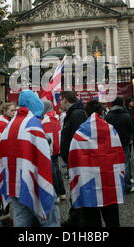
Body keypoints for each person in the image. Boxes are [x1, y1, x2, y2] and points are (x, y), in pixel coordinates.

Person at [0, 90, 60, 227]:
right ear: (35, 104)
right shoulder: (33, 124)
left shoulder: (10, 124)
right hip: (33, 182)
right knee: (49, 219)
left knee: (21, 219)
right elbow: (44, 156)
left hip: (14, 182)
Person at [68, 99, 125, 227]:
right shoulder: (111, 130)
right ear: (101, 112)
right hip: (109, 181)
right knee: (112, 221)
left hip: (88, 185)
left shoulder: (79, 133)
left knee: (92, 222)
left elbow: (73, 160)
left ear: (86, 113)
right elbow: (120, 156)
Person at [59, 91, 87, 227]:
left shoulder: (76, 114)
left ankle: (78, 219)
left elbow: (78, 139)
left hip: (77, 160)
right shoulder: (73, 113)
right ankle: (75, 216)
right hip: (72, 160)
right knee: (75, 188)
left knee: (78, 188)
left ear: (65, 100)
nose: (59, 103)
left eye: (60, 100)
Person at [0, 102, 16, 225]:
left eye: (15, 110)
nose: (14, 112)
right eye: (11, 110)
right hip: (2, 158)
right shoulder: (4, 124)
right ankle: (5, 215)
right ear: (5, 111)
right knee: (5, 184)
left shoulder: (1, 122)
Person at [105, 97, 134, 194]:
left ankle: (115, 186)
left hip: (112, 144)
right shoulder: (126, 115)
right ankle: (127, 186)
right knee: (125, 164)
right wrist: (131, 138)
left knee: (113, 165)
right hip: (124, 143)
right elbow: (131, 129)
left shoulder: (108, 116)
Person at [42, 100, 66, 202]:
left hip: (50, 149)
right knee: (57, 169)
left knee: (53, 171)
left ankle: (56, 193)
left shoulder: (45, 120)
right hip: (56, 147)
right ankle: (62, 192)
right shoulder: (56, 117)